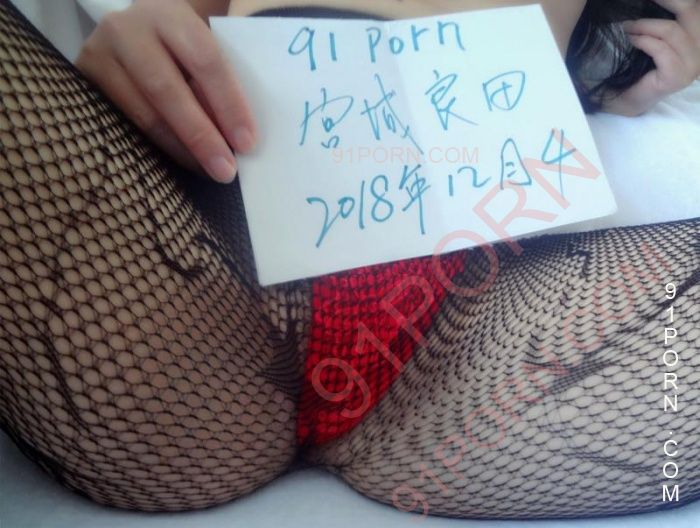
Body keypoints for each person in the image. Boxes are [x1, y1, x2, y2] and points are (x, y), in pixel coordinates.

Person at [0, 0, 698, 518]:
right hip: (204, 267)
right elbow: (182, 26)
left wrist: (632, 82)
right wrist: (145, 30)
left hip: (482, 328)